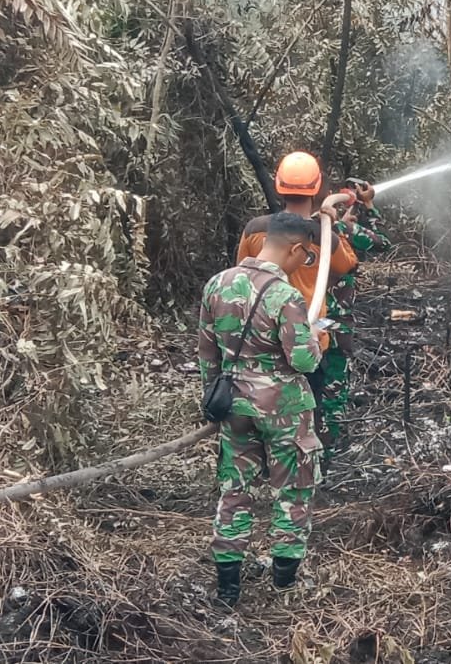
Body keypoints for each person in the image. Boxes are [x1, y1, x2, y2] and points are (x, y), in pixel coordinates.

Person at [198, 211, 325, 606]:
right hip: (284, 410)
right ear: (296, 247)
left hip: (233, 405)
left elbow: (207, 356)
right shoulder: (285, 296)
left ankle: (228, 588)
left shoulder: (217, 284)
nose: (304, 264)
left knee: (234, 492)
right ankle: (284, 584)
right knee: (292, 492)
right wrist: (316, 337)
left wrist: (217, 397)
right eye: (306, 257)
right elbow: (303, 361)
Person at [238, 151, 358, 447]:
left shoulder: (255, 230)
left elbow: (242, 272)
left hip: (263, 339)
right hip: (309, 338)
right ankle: (305, 469)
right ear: (317, 189)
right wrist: (334, 224)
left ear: (279, 186)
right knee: (308, 412)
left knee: (262, 410)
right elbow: (347, 265)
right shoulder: (323, 235)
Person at [323, 179, 391, 451]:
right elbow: (382, 243)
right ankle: (328, 448)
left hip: (304, 322)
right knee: (333, 387)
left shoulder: (295, 230)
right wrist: (370, 206)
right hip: (334, 324)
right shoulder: (343, 230)